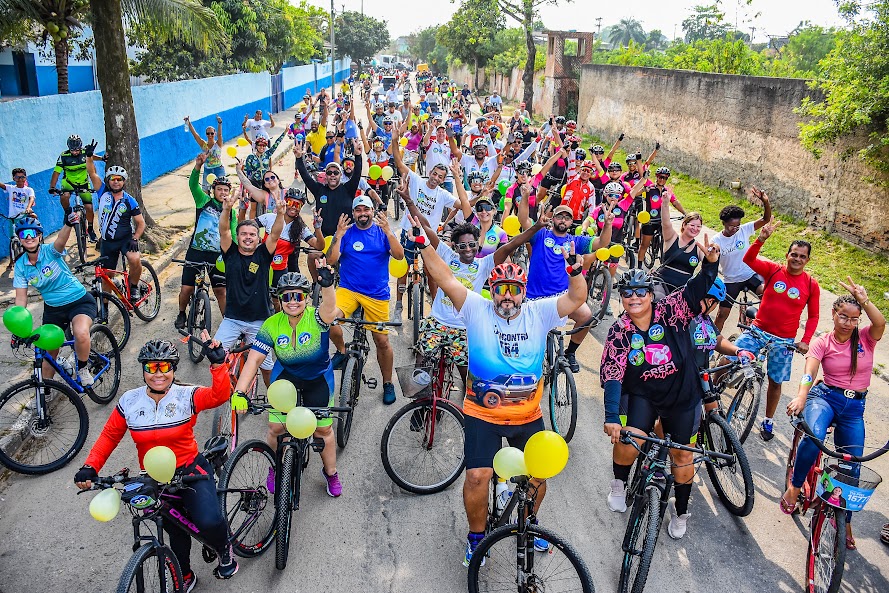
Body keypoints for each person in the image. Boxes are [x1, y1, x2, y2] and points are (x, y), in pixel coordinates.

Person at [412, 224, 587, 565]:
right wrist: (422, 244)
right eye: (501, 290)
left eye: (514, 291)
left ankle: (529, 525)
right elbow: (446, 278)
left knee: (537, 476)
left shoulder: (539, 312)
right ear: (492, 290)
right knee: (478, 476)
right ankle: (476, 537)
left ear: (524, 292)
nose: (507, 297)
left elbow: (576, 298)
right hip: (482, 416)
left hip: (528, 416)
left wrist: (576, 269)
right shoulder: (477, 308)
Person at [74, 339, 239, 587]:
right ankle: (184, 575)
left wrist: (218, 364)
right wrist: (91, 466)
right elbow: (109, 436)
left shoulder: (187, 395)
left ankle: (224, 548)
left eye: (164, 367)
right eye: (151, 368)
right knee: (174, 529)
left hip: (191, 470)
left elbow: (220, 395)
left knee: (208, 521)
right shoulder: (130, 401)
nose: (158, 374)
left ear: (173, 369)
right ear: (143, 370)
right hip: (154, 477)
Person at [601, 238, 722, 540]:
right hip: (644, 396)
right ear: (622, 298)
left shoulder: (671, 311)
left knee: (682, 457)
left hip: (682, 397)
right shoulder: (620, 330)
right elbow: (614, 374)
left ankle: (680, 512)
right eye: (627, 293)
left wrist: (709, 265)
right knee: (630, 439)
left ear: (651, 294)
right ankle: (619, 483)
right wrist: (612, 416)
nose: (634, 298)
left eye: (641, 291)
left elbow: (696, 289)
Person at [781, 278, 883, 549]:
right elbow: (810, 371)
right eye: (843, 317)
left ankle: (845, 519)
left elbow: (880, 323)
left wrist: (864, 300)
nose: (848, 323)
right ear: (834, 315)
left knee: (853, 465)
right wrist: (802, 395)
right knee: (814, 438)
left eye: (854, 318)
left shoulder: (865, 340)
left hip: (854, 409)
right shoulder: (822, 342)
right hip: (824, 398)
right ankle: (795, 485)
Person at [233, 267, 345, 497]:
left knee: (323, 430)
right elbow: (254, 360)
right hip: (286, 379)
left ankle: (331, 473)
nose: (292, 301)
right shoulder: (271, 325)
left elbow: (330, 307)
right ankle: (275, 467)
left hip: (318, 379)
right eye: (286, 296)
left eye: (298, 296)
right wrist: (240, 392)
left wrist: (327, 284)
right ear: (280, 299)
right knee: (275, 427)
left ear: (305, 297)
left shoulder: (317, 317)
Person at [737, 218, 820, 441]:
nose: (797, 259)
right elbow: (748, 259)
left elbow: (813, 316)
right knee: (729, 360)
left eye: (802, 256)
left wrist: (805, 340)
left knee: (775, 381)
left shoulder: (811, 285)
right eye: (794, 254)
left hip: (784, 340)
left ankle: (768, 420)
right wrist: (761, 239)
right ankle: (710, 400)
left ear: (808, 260)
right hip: (758, 331)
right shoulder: (773, 271)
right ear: (787, 255)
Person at [516, 193, 614, 372]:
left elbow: (602, 242)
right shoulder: (539, 235)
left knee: (587, 316)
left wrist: (607, 224)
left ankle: (570, 353)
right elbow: (524, 220)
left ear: (571, 222)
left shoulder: (576, 241)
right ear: (553, 219)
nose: (563, 220)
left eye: (567, 217)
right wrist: (524, 196)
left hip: (564, 298)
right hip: (534, 298)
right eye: (559, 215)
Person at [328, 197, 404, 404]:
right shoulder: (347, 232)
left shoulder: (382, 231)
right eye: (358, 210)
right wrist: (338, 234)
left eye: (366, 209)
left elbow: (399, 255)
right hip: (348, 290)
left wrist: (389, 231)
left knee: (382, 341)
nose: (362, 213)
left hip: (376, 294)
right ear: (353, 213)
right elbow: (331, 260)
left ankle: (388, 382)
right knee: (328, 319)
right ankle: (342, 351)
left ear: (372, 211)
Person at [12, 215, 96, 386]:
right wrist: (18, 328)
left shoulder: (50, 251)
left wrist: (68, 224)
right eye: (24, 234)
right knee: (49, 354)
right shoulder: (20, 265)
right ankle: (45, 392)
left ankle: (82, 368)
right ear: (19, 239)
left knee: (80, 333)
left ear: (39, 235)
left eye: (32, 233)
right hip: (53, 309)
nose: (29, 237)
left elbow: (60, 241)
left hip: (78, 301)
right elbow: (21, 298)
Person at [391, 132, 465, 320]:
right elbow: (400, 164)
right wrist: (394, 141)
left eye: (440, 177)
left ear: (442, 180)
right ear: (430, 172)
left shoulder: (443, 194)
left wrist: (479, 196)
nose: (436, 178)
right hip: (409, 233)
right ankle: (398, 307)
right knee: (404, 269)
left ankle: (434, 306)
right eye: (434, 174)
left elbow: (463, 206)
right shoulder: (417, 180)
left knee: (432, 271)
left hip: (428, 238)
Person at [214, 194, 285, 385]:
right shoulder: (230, 253)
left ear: (258, 238)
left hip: (259, 321)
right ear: (238, 237)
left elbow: (276, 234)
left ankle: (273, 399)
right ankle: (224, 390)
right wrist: (227, 209)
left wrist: (280, 214)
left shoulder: (263, 254)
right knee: (215, 355)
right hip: (232, 319)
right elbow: (224, 231)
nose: (247, 237)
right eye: (244, 234)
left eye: (252, 234)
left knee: (266, 366)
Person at [174, 154, 235, 330]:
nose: (223, 193)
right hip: (196, 252)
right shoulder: (203, 201)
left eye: (226, 190)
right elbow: (193, 185)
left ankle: (229, 325)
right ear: (213, 191)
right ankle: (181, 313)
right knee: (186, 288)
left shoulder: (231, 211)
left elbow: (234, 234)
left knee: (221, 291)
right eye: (220, 190)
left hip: (218, 257)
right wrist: (197, 167)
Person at [711, 186, 772, 332]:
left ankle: (762, 328)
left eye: (737, 226)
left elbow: (766, 219)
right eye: (731, 226)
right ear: (724, 223)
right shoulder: (716, 240)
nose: (735, 229)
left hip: (750, 274)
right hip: (731, 280)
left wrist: (765, 202)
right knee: (721, 315)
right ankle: (712, 344)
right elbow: (712, 262)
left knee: (768, 295)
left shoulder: (744, 229)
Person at [86, 163, 146, 300]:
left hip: (126, 240)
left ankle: (134, 286)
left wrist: (135, 238)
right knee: (107, 278)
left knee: (135, 258)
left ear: (124, 181)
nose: (116, 181)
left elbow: (141, 223)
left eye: (119, 179)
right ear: (108, 180)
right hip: (107, 242)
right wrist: (89, 157)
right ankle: (105, 310)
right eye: (113, 178)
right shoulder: (102, 193)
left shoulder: (129, 200)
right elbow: (92, 173)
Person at [628, 166, 687, 266]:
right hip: (649, 221)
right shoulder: (649, 188)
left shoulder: (667, 191)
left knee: (669, 243)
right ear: (656, 176)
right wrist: (643, 189)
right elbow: (634, 194)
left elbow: (675, 202)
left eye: (664, 178)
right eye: (660, 177)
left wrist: (685, 214)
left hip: (662, 221)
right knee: (644, 245)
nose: (662, 179)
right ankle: (638, 267)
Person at [652, 205, 706, 299]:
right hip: (661, 283)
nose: (695, 229)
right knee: (658, 301)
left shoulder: (699, 248)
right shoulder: (672, 238)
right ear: (684, 225)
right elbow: (666, 223)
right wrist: (665, 202)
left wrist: (712, 257)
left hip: (681, 289)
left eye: (698, 226)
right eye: (692, 225)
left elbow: (709, 266)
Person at [50, 135, 97, 242]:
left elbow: (93, 157)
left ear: (80, 147)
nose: (75, 152)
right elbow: (56, 173)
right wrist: (52, 187)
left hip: (84, 183)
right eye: (72, 150)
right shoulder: (64, 156)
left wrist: (102, 158)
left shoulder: (85, 153)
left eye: (77, 150)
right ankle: (67, 212)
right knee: (64, 196)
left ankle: (90, 229)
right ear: (68, 148)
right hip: (69, 183)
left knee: (89, 208)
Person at [184, 115, 224, 189]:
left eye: (212, 133)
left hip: (219, 168)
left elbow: (220, 135)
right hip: (207, 169)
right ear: (206, 134)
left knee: (222, 188)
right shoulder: (203, 144)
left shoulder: (218, 144)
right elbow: (195, 135)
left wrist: (219, 123)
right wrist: (188, 123)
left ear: (214, 134)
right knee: (205, 190)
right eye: (208, 133)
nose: (210, 135)